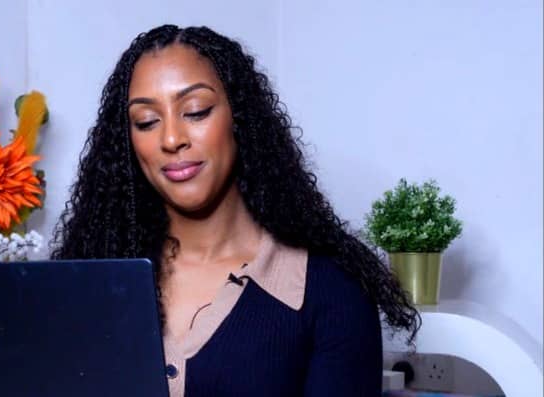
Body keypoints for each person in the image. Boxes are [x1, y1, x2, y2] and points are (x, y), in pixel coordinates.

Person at [52, 24, 419, 396]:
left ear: (238, 118)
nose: (171, 139)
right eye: (146, 122)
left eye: (196, 111)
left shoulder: (331, 291)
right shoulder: (91, 284)